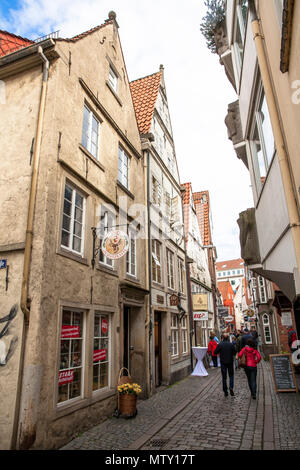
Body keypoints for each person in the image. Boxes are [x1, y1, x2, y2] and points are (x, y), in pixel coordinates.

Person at [214, 333, 236, 397]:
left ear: (222, 338)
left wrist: (220, 352)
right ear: (228, 338)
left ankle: (225, 391)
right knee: (231, 375)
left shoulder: (220, 344)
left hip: (223, 362)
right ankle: (231, 387)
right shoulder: (231, 344)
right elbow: (234, 352)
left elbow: (215, 352)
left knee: (224, 377)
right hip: (230, 362)